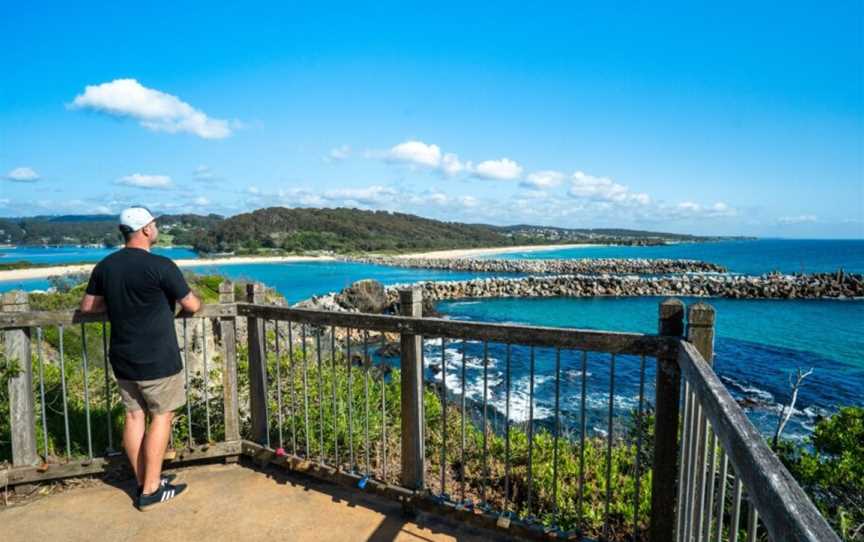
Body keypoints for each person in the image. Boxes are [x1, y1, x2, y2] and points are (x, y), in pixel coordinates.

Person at [79, 206, 200, 510]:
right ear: (146, 230)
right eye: (154, 224)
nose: (156, 228)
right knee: (162, 416)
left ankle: (143, 480)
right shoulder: (161, 266)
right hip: (158, 358)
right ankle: (151, 489)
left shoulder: (106, 266)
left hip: (123, 357)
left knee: (134, 417)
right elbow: (192, 304)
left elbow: (88, 307)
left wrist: (118, 308)